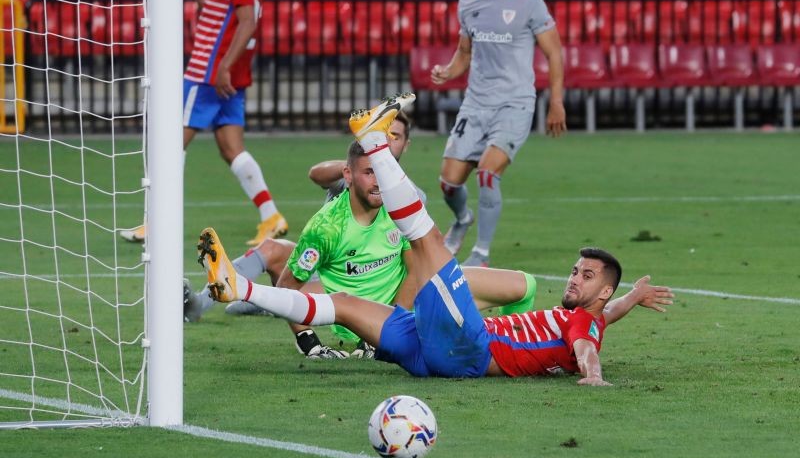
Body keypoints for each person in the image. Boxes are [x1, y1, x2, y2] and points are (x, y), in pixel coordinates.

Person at [198, 96, 674, 383]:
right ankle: (239, 289)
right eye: (576, 270)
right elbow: (603, 316)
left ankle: (376, 142)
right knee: (341, 303)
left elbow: (587, 346)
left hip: (470, 346)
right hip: (433, 354)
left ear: (601, 290)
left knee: (427, 244)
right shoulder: (589, 314)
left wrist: (593, 376)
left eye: (586, 276)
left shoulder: (582, 330)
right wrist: (632, 296)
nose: (574, 278)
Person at [186, 101, 538, 361]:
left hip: (407, 299)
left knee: (524, 284)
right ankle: (227, 297)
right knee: (283, 257)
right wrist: (310, 342)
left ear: (405, 145)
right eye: (369, 168)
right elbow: (317, 173)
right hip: (356, 303)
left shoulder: (408, 198)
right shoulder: (329, 222)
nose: (389, 146)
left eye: (394, 137)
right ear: (351, 174)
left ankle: (515, 341)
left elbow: (423, 263)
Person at [121, 0, 287, 246]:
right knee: (232, 149)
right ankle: (270, 216)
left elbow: (246, 22)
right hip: (224, 75)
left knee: (170, 145)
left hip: (207, 73)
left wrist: (224, 65)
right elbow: (207, 6)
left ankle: (156, 222)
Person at [430, 0, 566, 268]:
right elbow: (464, 53)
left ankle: (482, 254)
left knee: (488, 175)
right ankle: (462, 219)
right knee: (448, 182)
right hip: (475, 104)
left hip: (515, 104)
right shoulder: (469, 2)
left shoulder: (529, 2)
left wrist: (556, 102)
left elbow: (554, 52)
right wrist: (448, 72)